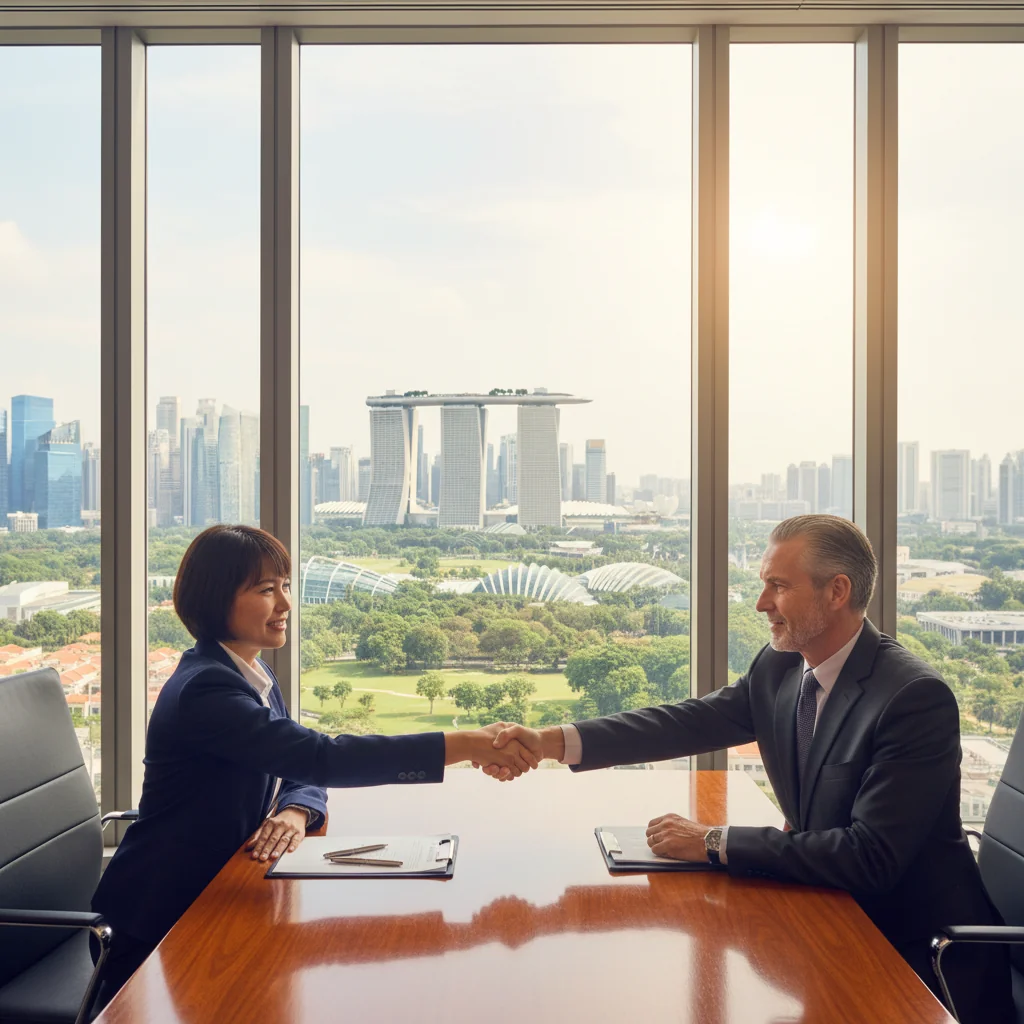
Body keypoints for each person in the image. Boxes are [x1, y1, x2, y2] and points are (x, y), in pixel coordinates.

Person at [492, 514, 1013, 1024]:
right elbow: (689, 722)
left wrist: (715, 841)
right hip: (825, 918)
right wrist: (551, 742)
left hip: (913, 956)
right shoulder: (782, 664)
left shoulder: (912, 698)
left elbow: (870, 857)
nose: (762, 603)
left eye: (778, 586)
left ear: (837, 592)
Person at [90, 524, 534, 1014]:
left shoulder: (246, 674)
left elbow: (298, 767)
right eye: (265, 590)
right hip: (160, 919)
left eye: (284, 586)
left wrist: (297, 810)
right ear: (216, 598)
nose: (284, 603)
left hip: (225, 891)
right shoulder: (207, 691)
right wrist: (468, 743)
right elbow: (322, 757)